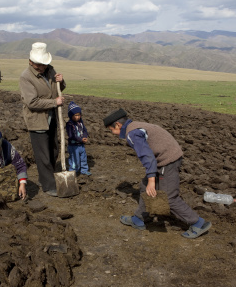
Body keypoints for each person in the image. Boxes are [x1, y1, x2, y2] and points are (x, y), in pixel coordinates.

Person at [103, 108, 212, 239]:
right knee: (145, 187)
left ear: (118, 125)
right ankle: (139, 219)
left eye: (111, 130)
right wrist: (149, 182)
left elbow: (148, 158)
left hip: (168, 160)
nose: (113, 133)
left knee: (168, 197)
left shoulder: (131, 133)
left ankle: (198, 223)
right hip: (166, 157)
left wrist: (152, 181)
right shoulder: (135, 125)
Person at [20, 42, 66, 197]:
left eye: (44, 64)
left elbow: (56, 89)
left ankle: (46, 177)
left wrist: (61, 81)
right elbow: (31, 102)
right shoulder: (26, 77)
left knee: (53, 149)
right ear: (31, 62)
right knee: (43, 155)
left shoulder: (50, 70)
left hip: (52, 117)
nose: (43, 67)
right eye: (40, 65)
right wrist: (54, 102)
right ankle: (49, 185)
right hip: (37, 119)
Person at [66, 101, 91, 176]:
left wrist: (85, 136)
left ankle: (84, 170)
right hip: (73, 146)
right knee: (74, 159)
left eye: (79, 115)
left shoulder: (80, 122)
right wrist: (80, 139)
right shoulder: (69, 124)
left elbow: (84, 130)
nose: (77, 117)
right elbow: (71, 136)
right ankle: (73, 171)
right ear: (71, 116)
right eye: (75, 115)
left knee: (83, 158)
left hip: (81, 145)